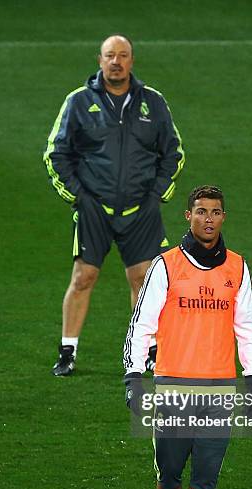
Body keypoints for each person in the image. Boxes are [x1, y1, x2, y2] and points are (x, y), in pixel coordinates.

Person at [123, 185, 252, 489]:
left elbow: (247, 325)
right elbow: (142, 324)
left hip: (219, 386)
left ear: (223, 217)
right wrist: (134, 375)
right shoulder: (166, 265)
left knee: (206, 474)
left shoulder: (237, 267)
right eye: (201, 211)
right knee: (169, 475)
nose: (208, 219)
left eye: (215, 212)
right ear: (188, 216)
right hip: (173, 385)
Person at [44, 34, 185, 375]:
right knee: (84, 276)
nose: (116, 61)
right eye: (110, 55)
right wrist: (79, 197)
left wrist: (156, 195)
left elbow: (174, 152)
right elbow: (55, 153)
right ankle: (68, 351)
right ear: (100, 60)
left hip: (141, 209)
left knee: (143, 279)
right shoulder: (78, 102)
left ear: (132, 61)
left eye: (123, 55)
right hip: (95, 207)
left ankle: (148, 352)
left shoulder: (153, 102)